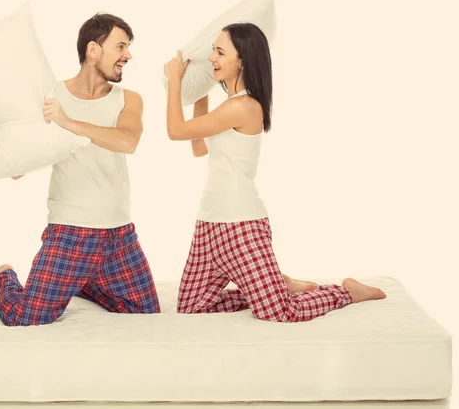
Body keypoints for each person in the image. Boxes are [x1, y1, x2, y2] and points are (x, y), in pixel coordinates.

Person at [163, 22, 386, 322]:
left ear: (242, 60)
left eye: (219, 52)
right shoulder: (227, 105)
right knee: (192, 307)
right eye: (213, 51)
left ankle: (347, 292)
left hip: (241, 225)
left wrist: (175, 81)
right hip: (208, 225)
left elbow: (176, 131)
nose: (212, 58)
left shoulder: (245, 106)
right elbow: (198, 147)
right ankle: (275, 284)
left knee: (279, 312)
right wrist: (200, 90)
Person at [0, 13, 161, 326]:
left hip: (118, 235)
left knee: (147, 316)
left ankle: (81, 281)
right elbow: (19, 168)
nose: (128, 55)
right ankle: (2, 278)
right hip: (70, 233)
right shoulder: (50, 98)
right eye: (121, 46)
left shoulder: (129, 99)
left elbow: (128, 141)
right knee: (25, 317)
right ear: (93, 50)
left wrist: (68, 123)